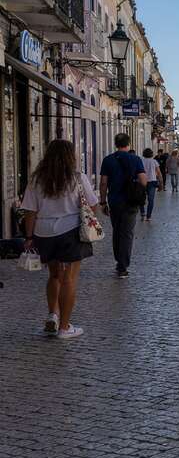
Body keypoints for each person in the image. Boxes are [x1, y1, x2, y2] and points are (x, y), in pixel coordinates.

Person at [20, 140, 98, 339]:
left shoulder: (36, 180)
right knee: (68, 278)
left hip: (44, 233)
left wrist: (29, 237)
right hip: (70, 232)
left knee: (54, 275)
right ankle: (64, 327)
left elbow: (30, 211)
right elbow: (92, 205)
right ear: (70, 156)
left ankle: (52, 315)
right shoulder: (77, 178)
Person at [99, 132, 146, 277]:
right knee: (127, 233)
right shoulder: (136, 159)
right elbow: (144, 180)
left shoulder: (108, 160)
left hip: (114, 201)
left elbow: (103, 183)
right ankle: (123, 266)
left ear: (115, 144)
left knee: (117, 231)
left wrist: (102, 201)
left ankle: (119, 260)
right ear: (128, 144)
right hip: (131, 202)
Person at [140, 148, 160, 221]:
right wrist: (161, 183)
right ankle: (148, 216)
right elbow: (158, 172)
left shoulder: (141, 161)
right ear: (151, 154)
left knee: (141, 198)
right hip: (152, 182)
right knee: (151, 200)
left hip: (142, 181)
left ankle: (142, 213)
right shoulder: (154, 161)